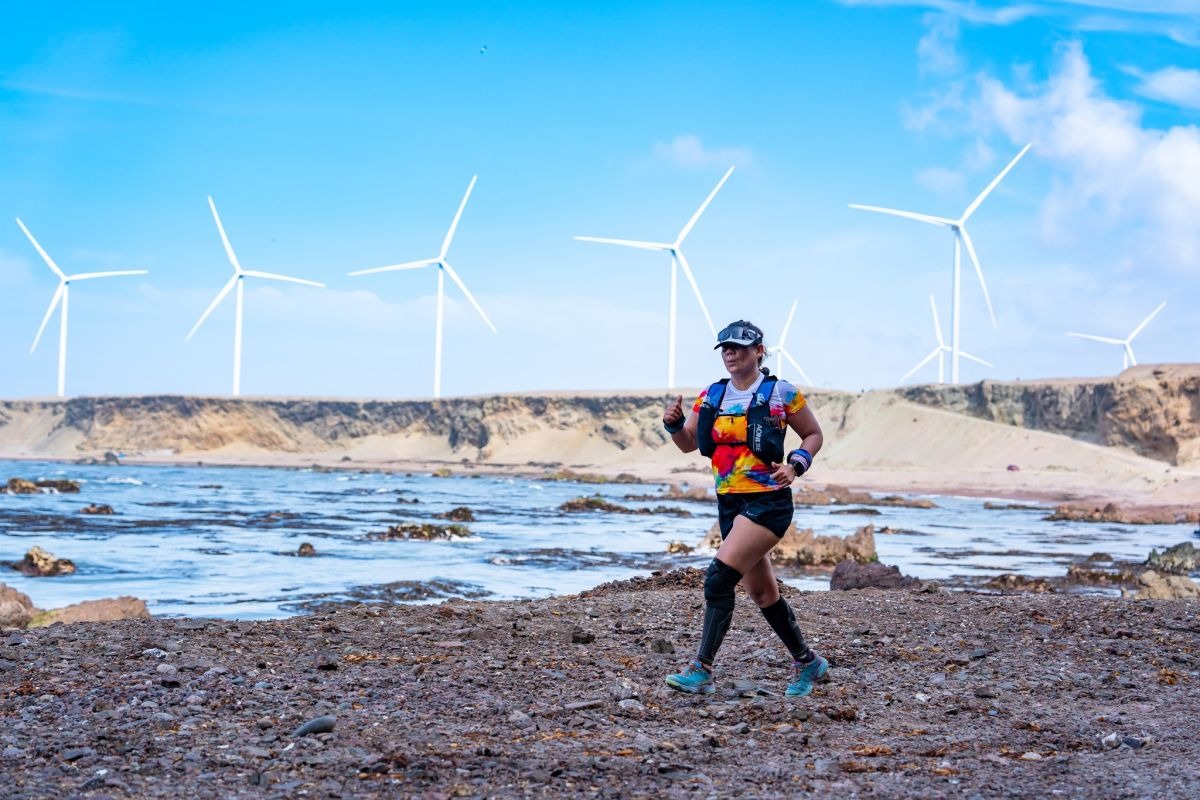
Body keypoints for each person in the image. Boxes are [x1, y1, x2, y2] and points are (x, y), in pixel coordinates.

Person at [661, 319, 827, 697]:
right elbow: (689, 443)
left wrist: (796, 464)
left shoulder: (782, 392)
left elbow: (814, 434)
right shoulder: (711, 396)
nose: (730, 354)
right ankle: (810, 663)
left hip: (769, 502)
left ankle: (701, 669)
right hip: (729, 503)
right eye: (725, 349)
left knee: (718, 578)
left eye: (738, 347)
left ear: (759, 351)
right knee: (764, 594)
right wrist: (673, 427)